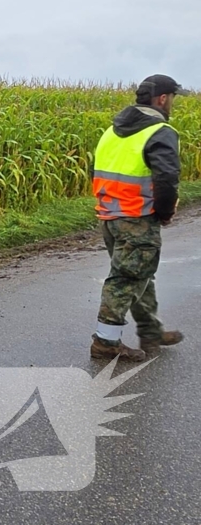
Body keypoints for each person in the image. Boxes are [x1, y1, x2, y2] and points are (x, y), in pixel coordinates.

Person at [90, 74, 186, 361]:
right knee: (126, 279)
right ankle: (106, 342)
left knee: (139, 275)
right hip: (138, 217)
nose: (172, 104)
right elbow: (167, 178)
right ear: (163, 99)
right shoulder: (159, 131)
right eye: (173, 98)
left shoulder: (112, 131)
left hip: (109, 215)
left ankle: (150, 331)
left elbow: (96, 170)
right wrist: (165, 212)